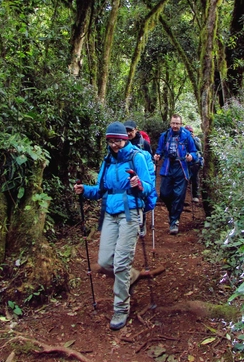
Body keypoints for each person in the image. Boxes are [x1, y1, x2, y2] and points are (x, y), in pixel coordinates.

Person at [74, 122, 154, 331]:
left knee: (120, 263)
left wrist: (139, 184)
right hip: (109, 213)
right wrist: (85, 190)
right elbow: (101, 190)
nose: (114, 145)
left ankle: (121, 308)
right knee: (104, 261)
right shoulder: (107, 161)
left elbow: (148, 186)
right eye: (111, 141)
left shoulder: (136, 157)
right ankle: (132, 275)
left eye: (117, 140)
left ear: (125, 139)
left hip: (130, 212)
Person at [154, 114, 197, 235]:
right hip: (168, 166)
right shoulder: (165, 135)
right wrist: (157, 155)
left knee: (178, 195)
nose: (175, 126)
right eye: (173, 123)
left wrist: (191, 157)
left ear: (181, 124)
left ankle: (174, 221)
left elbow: (194, 152)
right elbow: (160, 150)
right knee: (164, 193)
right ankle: (173, 213)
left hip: (181, 167)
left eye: (177, 123)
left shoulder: (187, 136)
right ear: (170, 123)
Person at [185, 125, 204, 202]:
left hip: (195, 162)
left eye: (191, 132)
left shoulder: (196, 139)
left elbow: (200, 149)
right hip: (185, 161)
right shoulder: (182, 139)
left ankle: (195, 195)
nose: (189, 133)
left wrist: (193, 140)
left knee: (195, 178)